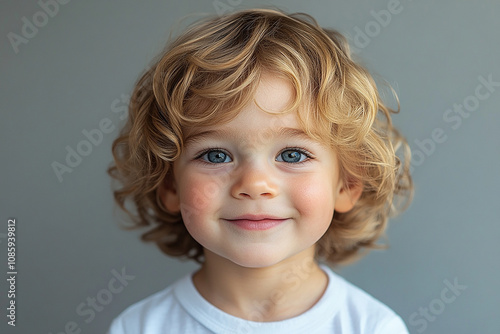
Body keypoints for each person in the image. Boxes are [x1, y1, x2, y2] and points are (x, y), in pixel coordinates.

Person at [106, 8, 414, 334]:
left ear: (347, 184)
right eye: (215, 155)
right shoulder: (138, 327)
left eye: (292, 155)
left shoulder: (373, 327)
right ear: (169, 185)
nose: (254, 184)